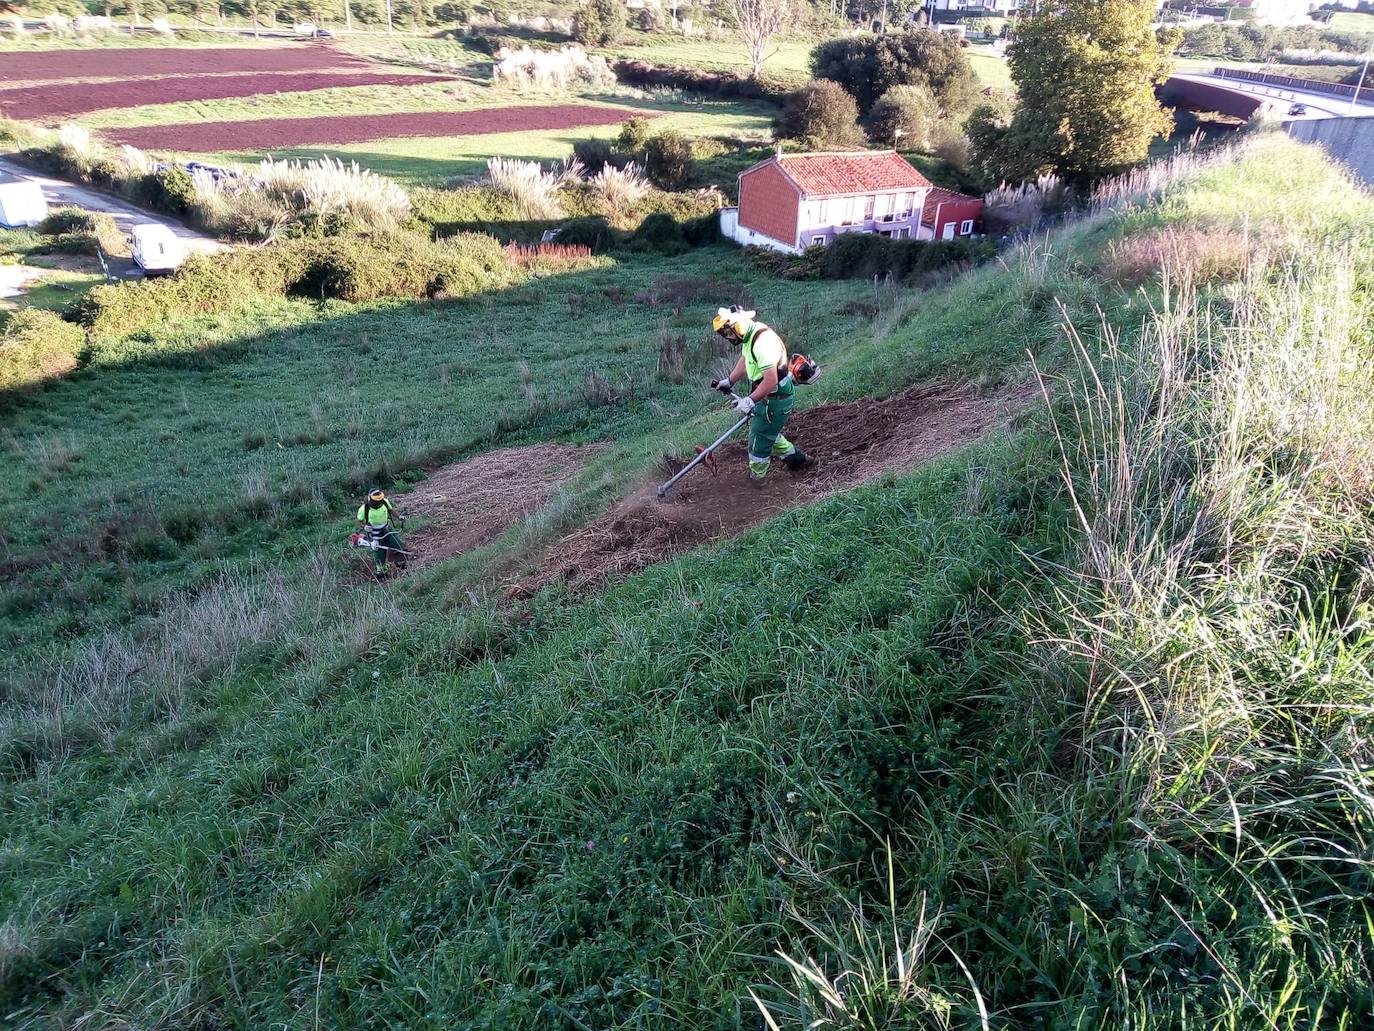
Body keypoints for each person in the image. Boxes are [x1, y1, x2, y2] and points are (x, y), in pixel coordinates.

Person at [709, 307, 808, 483]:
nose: (729, 337)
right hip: (768, 397)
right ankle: (797, 460)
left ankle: (757, 480)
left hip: (774, 401)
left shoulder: (762, 343)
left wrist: (750, 400)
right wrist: (729, 381)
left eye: (729, 333)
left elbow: (770, 381)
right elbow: (746, 358)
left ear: (738, 326)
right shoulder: (752, 334)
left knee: (758, 443)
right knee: (768, 433)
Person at [356, 488, 408, 575]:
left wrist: (399, 517)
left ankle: (400, 563)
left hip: (386, 528)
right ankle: (381, 571)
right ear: (370, 499)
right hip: (374, 532)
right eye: (376, 501)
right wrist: (364, 526)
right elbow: (359, 521)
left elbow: (391, 510)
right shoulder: (364, 509)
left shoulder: (385, 502)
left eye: (380, 500)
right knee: (379, 551)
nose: (378, 502)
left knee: (397, 544)